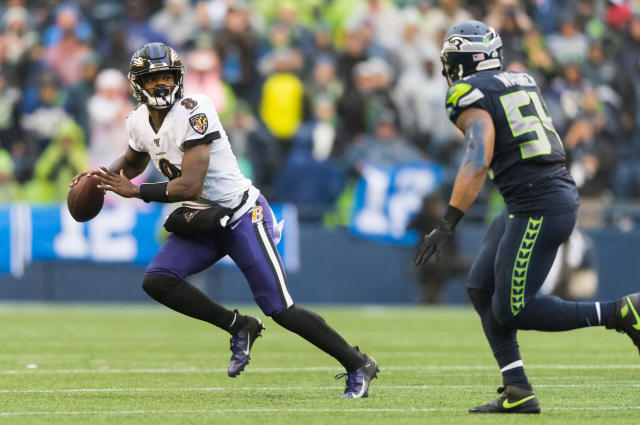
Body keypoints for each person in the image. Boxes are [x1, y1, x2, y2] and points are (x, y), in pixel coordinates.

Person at [70, 42, 378, 398]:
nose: (162, 84)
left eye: (167, 76)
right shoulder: (138, 120)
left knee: (280, 309)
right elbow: (135, 159)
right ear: (138, 84)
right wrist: (99, 177)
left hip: (243, 214)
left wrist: (136, 192)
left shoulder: (195, 109)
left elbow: (190, 184)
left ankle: (358, 363)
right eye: (153, 78)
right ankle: (239, 326)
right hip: (203, 218)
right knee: (157, 281)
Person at [415, 21, 640, 414]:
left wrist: (448, 222)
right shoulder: (520, 78)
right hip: (532, 199)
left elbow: (477, 157)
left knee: (513, 308)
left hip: (539, 204)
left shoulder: (467, 92)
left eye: (451, 61)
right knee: (480, 287)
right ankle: (517, 389)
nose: (447, 69)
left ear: (463, 62)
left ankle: (622, 311)